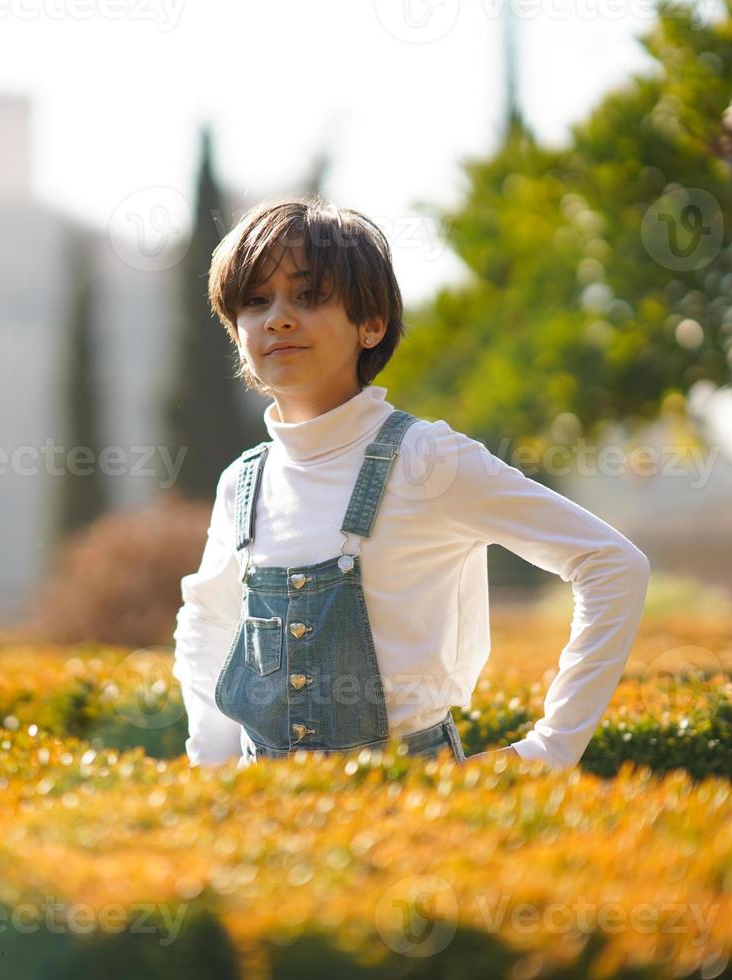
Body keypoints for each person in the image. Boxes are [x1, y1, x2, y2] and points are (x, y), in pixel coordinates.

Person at [170, 195, 651, 771]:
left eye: (309, 296)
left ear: (370, 325)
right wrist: (214, 769)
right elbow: (209, 619)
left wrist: (551, 750)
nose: (277, 317)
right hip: (266, 812)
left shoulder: (427, 460)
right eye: (256, 300)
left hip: (413, 806)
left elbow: (611, 565)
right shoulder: (242, 483)